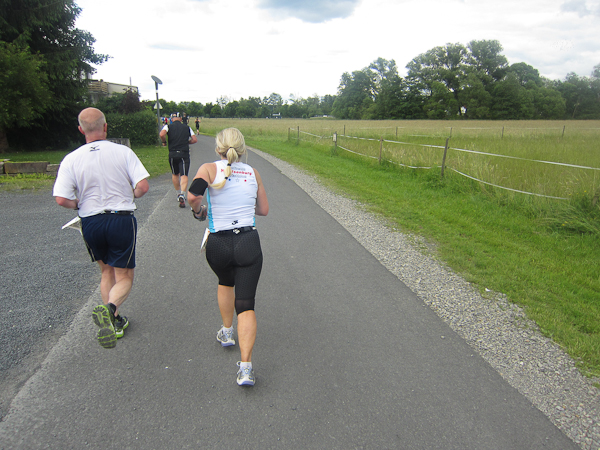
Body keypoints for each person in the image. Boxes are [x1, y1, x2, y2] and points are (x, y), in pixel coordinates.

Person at [53, 107, 150, 349]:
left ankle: (114, 322)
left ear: (81, 129)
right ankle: (110, 309)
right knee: (124, 276)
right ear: (105, 126)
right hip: (120, 219)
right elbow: (143, 186)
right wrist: (131, 194)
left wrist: (79, 204)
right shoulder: (123, 152)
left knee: (106, 271)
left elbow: (61, 199)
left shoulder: (71, 159)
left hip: (91, 221)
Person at [187, 128, 269, 386]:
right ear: (242, 149)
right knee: (246, 304)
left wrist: (199, 211)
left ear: (217, 148)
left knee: (225, 281)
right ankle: (246, 368)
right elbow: (263, 210)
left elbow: (193, 195)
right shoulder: (253, 172)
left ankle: (227, 332)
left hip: (218, 243)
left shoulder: (209, 169)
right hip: (248, 241)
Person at [160, 112, 198, 208]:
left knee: (175, 174)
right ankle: (182, 194)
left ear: (172, 119)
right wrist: (187, 142)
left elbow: (162, 134)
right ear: (181, 119)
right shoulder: (187, 127)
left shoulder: (168, 126)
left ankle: (178, 194)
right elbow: (194, 139)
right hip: (184, 153)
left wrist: (164, 142)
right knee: (184, 175)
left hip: (173, 153)